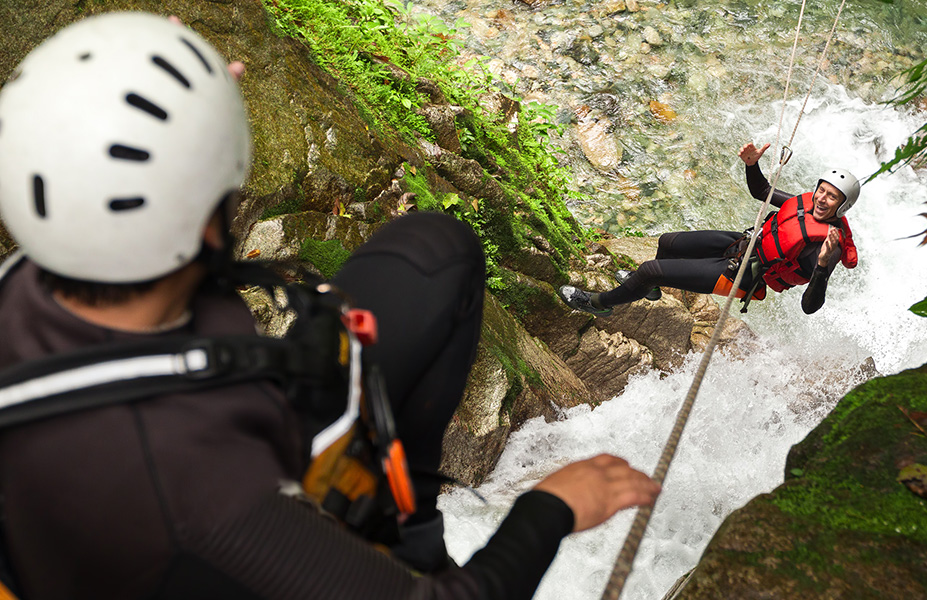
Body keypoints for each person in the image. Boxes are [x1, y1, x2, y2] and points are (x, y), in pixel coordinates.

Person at [0, 12, 659, 600]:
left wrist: (180, 105)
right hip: (202, 517)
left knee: (438, 252)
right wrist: (550, 507)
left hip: (139, 475)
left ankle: (412, 518)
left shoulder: (28, 275)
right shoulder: (204, 494)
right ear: (209, 221)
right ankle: (416, 551)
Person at [559, 142, 860, 316]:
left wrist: (821, 266)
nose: (822, 198)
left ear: (842, 206)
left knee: (651, 269)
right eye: (821, 190)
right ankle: (645, 288)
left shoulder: (829, 247)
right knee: (667, 243)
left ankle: (599, 303)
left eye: (832, 196)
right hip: (741, 246)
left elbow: (810, 306)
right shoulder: (804, 203)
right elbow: (762, 191)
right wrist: (751, 165)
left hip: (742, 277)